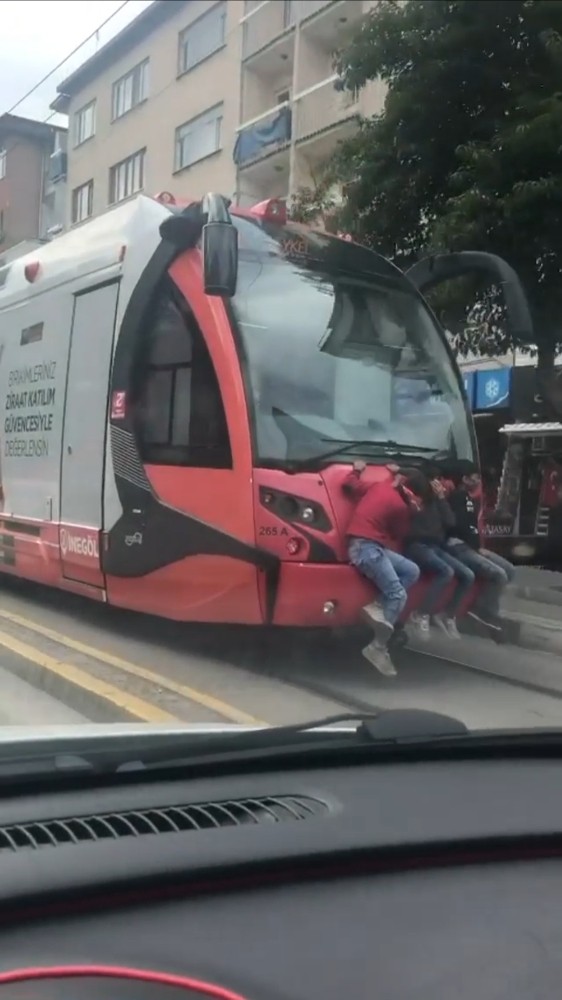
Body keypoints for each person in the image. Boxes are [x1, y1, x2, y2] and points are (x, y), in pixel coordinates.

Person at [343, 462, 425, 676]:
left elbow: (350, 484)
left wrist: (358, 469)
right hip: (367, 550)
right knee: (398, 594)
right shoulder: (399, 506)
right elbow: (400, 533)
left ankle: (378, 606)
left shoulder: (378, 486)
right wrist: (412, 511)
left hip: (365, 546)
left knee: (411, 570)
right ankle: (377, 647)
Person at [443, 460, 514, 631]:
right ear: (465, 479)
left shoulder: (471, 499)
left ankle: (480, 602)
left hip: (473, 547)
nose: (478, 482)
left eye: (479, 478)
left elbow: (473, 526)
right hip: (458, 546)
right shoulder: (456, 498)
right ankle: (482, 610)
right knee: (500, 575)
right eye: (474, 478)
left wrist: (478, 547)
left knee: (510, 570)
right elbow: (457, 526)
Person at [405, 469, 475, 641]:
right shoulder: (416, 499)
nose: (439, 486)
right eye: (435, 483)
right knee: (446, 571)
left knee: (468, 575)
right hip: (418, 545)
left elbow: (450, 521)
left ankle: (447, 614)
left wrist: (442, 498)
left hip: (436, 546)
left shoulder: (438, 501)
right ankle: (421, 614)